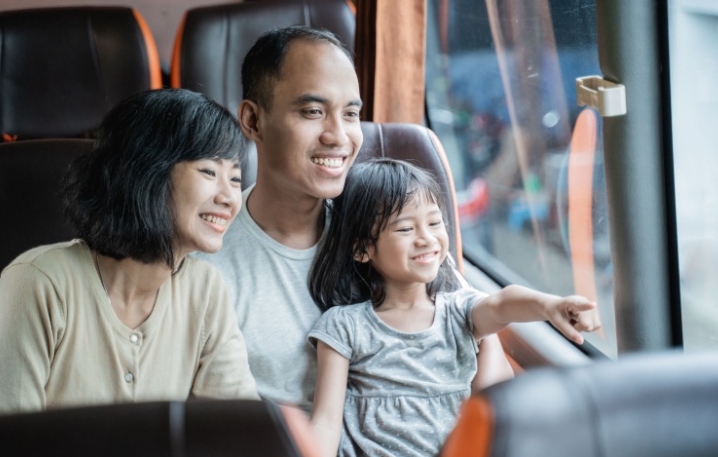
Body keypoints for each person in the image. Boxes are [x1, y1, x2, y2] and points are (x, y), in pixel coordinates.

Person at [198, 25, 514, 412]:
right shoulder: (206, 262)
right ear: (253, 120)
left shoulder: (390, 225)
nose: (339, 136)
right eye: (313, 112)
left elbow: (485, 348)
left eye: (350, 114)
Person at [0, 88, 258, 415]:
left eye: (235, 178)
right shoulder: (38, 284)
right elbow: (10, 443)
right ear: (148, 171)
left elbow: (238, 428)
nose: (230, 198)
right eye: (209, 172)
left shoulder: (206, 290)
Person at [307, 158, 600, 457]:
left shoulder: (458, 312)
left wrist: (549, 305)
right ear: (361, 249)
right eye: (406, 228)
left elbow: (501, 304)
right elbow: (326, 422)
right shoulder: (343, 326)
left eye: (434, 222)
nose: (427, 238)